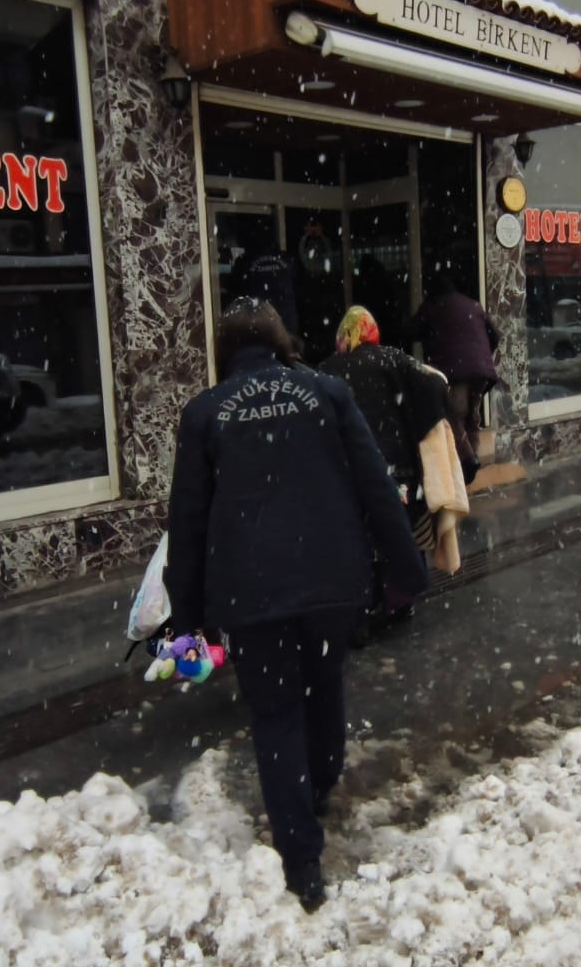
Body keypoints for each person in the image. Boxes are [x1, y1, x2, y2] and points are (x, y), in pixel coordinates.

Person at [165, 299, 426, 911]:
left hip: (249, 593)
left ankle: (301, 860)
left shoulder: (204, 413)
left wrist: (187, 620)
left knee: (276, 715)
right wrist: (407, 566)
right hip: (332, 580)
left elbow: (188, 523)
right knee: (324, 682)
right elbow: (375, 484)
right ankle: (321, 783)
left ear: (225, 350)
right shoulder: (326, 393)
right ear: (282, 341)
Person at [320, 305, 449, 639]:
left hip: (349, 470)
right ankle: (399, 600)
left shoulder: (326, 370)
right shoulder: (393, 359)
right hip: (395, 467)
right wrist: (419, 423)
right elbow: (434, 386)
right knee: (397, 530)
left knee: (358, 536)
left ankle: (362, 606)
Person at [410, 271, 498, 468]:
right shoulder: (473, 305)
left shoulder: (432, 306)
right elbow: (495, 335)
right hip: (480, 371)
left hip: (455, 370)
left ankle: (468, 461)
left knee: (454, 416)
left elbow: (410, 331)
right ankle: (473, 459)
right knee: (472, 416)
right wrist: (482, 356)